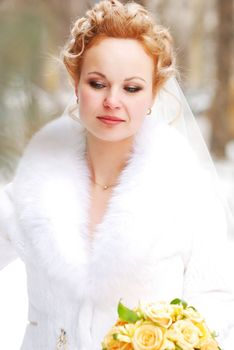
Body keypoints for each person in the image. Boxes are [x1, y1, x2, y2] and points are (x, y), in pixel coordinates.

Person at [0, 0, 234, 349]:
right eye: (97, 83)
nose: (112, 100)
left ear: (154, 93)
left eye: (132, 88)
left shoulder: (187, 193)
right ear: (75, 83)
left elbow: (218, 306)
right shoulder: (33, 189)